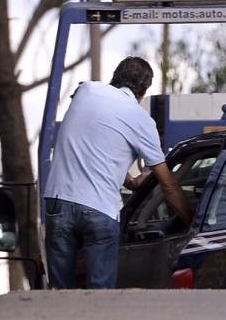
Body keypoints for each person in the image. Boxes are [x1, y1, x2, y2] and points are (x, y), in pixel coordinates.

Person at [43, 57, 193, 288]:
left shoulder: (86, 90)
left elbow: (93, 136)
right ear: (144, 91)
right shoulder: (142, 121)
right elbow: (168, 185)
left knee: (60, 292)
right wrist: (193, 223)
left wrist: (130, 181)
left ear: (114, 77)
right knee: (99, 296)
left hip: (59, 201)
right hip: (100, 208)